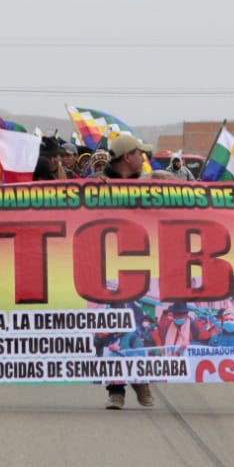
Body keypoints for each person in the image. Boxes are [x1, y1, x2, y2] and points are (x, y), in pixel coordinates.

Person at [99, 133, 156, 408]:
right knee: (115, 325)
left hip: (142, 264)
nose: (143, 158)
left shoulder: (148, 185)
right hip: (108, 266)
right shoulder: (97, 186)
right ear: (126, 157)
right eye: (139, 153)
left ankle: (140, 380)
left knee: (136, 323)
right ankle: (117, 389)